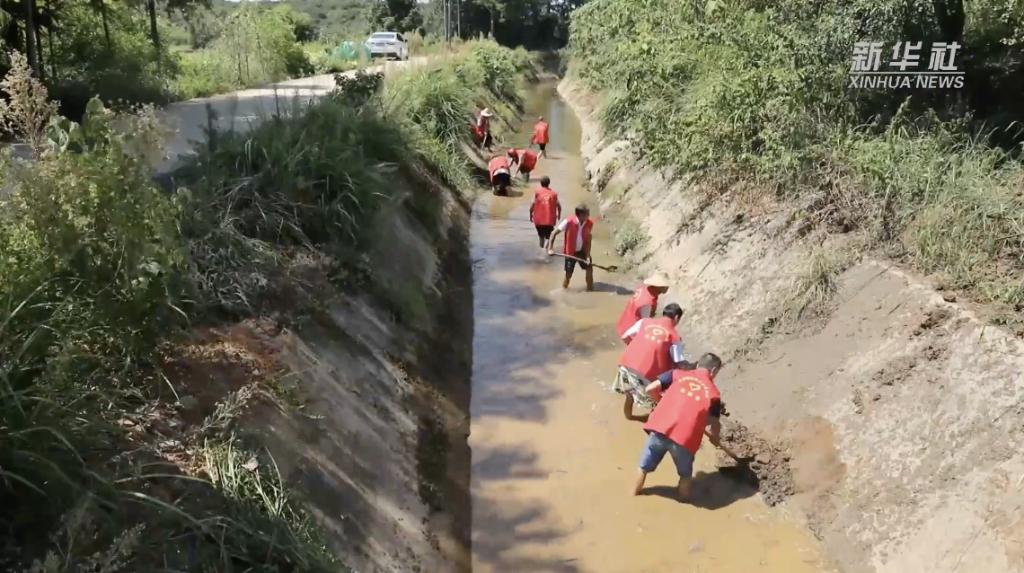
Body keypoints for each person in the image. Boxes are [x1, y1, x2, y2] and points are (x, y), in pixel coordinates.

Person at [632, 353, 726, 500]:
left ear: (697, 364)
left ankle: (633, 495)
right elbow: (714, 422)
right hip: (684, 440)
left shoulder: (676, 374)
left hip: (660, 430)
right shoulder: (714, 394)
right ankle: (684, 503)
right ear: (713, 371)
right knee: (685, 476)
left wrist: (660, 402)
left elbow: (650, 389)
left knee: (643, 468)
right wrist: (715, 438)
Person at [614, 303, 686, 421]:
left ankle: (629, 417)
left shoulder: (644, 322)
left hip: (626, 366)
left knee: (629, 394)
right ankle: (652, 424)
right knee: (661, 402)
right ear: (677, 318)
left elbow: (625, 336)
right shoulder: (674, 336)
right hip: (646, 374)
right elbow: (679, 363)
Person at [547, 204, 594, 290]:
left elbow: (588, 241)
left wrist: (587, 256)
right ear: (579, 215)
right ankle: (564, 290)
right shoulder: (568, 222)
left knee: (589, 268)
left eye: (588, 214)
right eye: (586, 214)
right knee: (568, 275)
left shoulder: (589, 223)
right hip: (570, 252)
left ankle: (590, 290)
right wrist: (550, 248)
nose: (588, 216)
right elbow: (553, 233)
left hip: (582, 251)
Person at [617, 273, 671, 341]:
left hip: (625, 322)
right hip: (630, 330)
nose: (668, 288)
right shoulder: (647, 302)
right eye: (666, 286)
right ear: (660, 287)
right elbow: (644, 322)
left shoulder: (644, 289)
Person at [529, 176, 561, 248]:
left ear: (540, 183)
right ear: (549, 183)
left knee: (541, 236)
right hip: (549, 220)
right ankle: (545, 251)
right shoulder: (554, 194)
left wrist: (530, 215)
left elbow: (532, 205)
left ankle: (541, 250)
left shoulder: (537, 193)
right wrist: (559, 215)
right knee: (549, 237)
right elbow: (559, 206)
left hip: (538, 220)